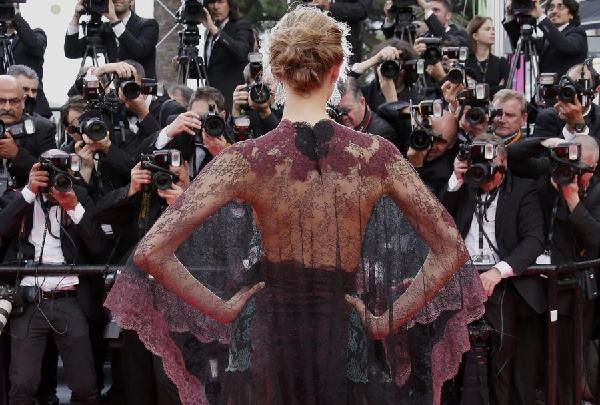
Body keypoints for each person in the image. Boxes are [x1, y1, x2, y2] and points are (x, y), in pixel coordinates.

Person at [107, 7, 485, 404]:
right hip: (342, 335)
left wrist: (221, 309)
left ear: (275, 70)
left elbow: (151, 252)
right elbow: (450, 250)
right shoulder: (376, 155)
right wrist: (383, 320)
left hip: (266, 338)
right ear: (338, 66)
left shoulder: (246, 159)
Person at [441, 134, 545, 405]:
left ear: (504, 163)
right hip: (461, 282)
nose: (484, 177)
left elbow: (534, 239)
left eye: (490, 168)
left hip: (504, 287)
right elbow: (438, 221)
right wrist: (456, 179)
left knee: (502, 358)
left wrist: (499, 271)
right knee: (452, 355)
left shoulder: (523, 190)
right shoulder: (465, 185)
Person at [0, 150, 108, 405]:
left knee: (85, 385)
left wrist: (73, 208)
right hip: (28, 300)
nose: (54, 176)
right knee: (22, 384)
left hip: (70, 297)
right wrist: (29, 192)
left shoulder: (79, 196)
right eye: (49, 169)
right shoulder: (19, 197)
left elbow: (100, 248)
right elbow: (3, 230)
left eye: (61, 168)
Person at [64, 0, 159, 78]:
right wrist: (76, 17)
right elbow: (71, 52)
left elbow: (139, 51)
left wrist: (114, 19)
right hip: (116, 95)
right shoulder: (105, 29)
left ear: (132, 2)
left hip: (143, 92)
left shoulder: (148, 25)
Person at [503, 0, 587, 78]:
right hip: (545, 91)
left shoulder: (578, 33)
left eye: (560, 7)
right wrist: (510, 16)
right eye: (551, 8)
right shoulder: (547, 38)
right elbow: (522, 46)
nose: (554, 11)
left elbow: (564, 46)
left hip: (568, 92)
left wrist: (540, 17)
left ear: (571, 15)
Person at [0, 75, 56, 189]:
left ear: (23, 101)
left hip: (28, 202)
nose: (7, 107)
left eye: (14, 101)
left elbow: (53, 175)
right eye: (1, 101)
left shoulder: (43, 129)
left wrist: (17, 155)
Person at [199, 0, 254, 112]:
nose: (215, 7)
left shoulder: (241, 26)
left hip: (232, 101)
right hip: (211, 101)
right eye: (211, 2)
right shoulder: (209, 33)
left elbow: (241, 53)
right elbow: (214, 69)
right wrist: (187, 66)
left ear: (230, 4)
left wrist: (215, 31)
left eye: (220, 1)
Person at [9, 5, 51, 118]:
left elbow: (34, 46)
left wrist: (16, 17)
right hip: (4, 106)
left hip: (33, 106)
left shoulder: (37, 33)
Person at [336, 78, 398, 144]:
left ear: (362, 102)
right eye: (338, 111)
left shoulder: (382, 135)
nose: (343, 117)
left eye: (347, 110)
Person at [383, 0, 469, 46]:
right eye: (429, 10)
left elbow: (445, 40)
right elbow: (395, 46)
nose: (431, 13)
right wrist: (390, 18)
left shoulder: (460, 35)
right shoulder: (421, 37)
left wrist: (426, 7)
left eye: (436, 10)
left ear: (448, 15)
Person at [465, 16, 509, 97]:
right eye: (487, 29)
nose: (492, 32)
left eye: (493, 29)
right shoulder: (465, 63)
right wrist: (496, 88)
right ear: (475, 36)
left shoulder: (501, 62)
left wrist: (476, 89)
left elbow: (506, 91)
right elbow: (464, 92)